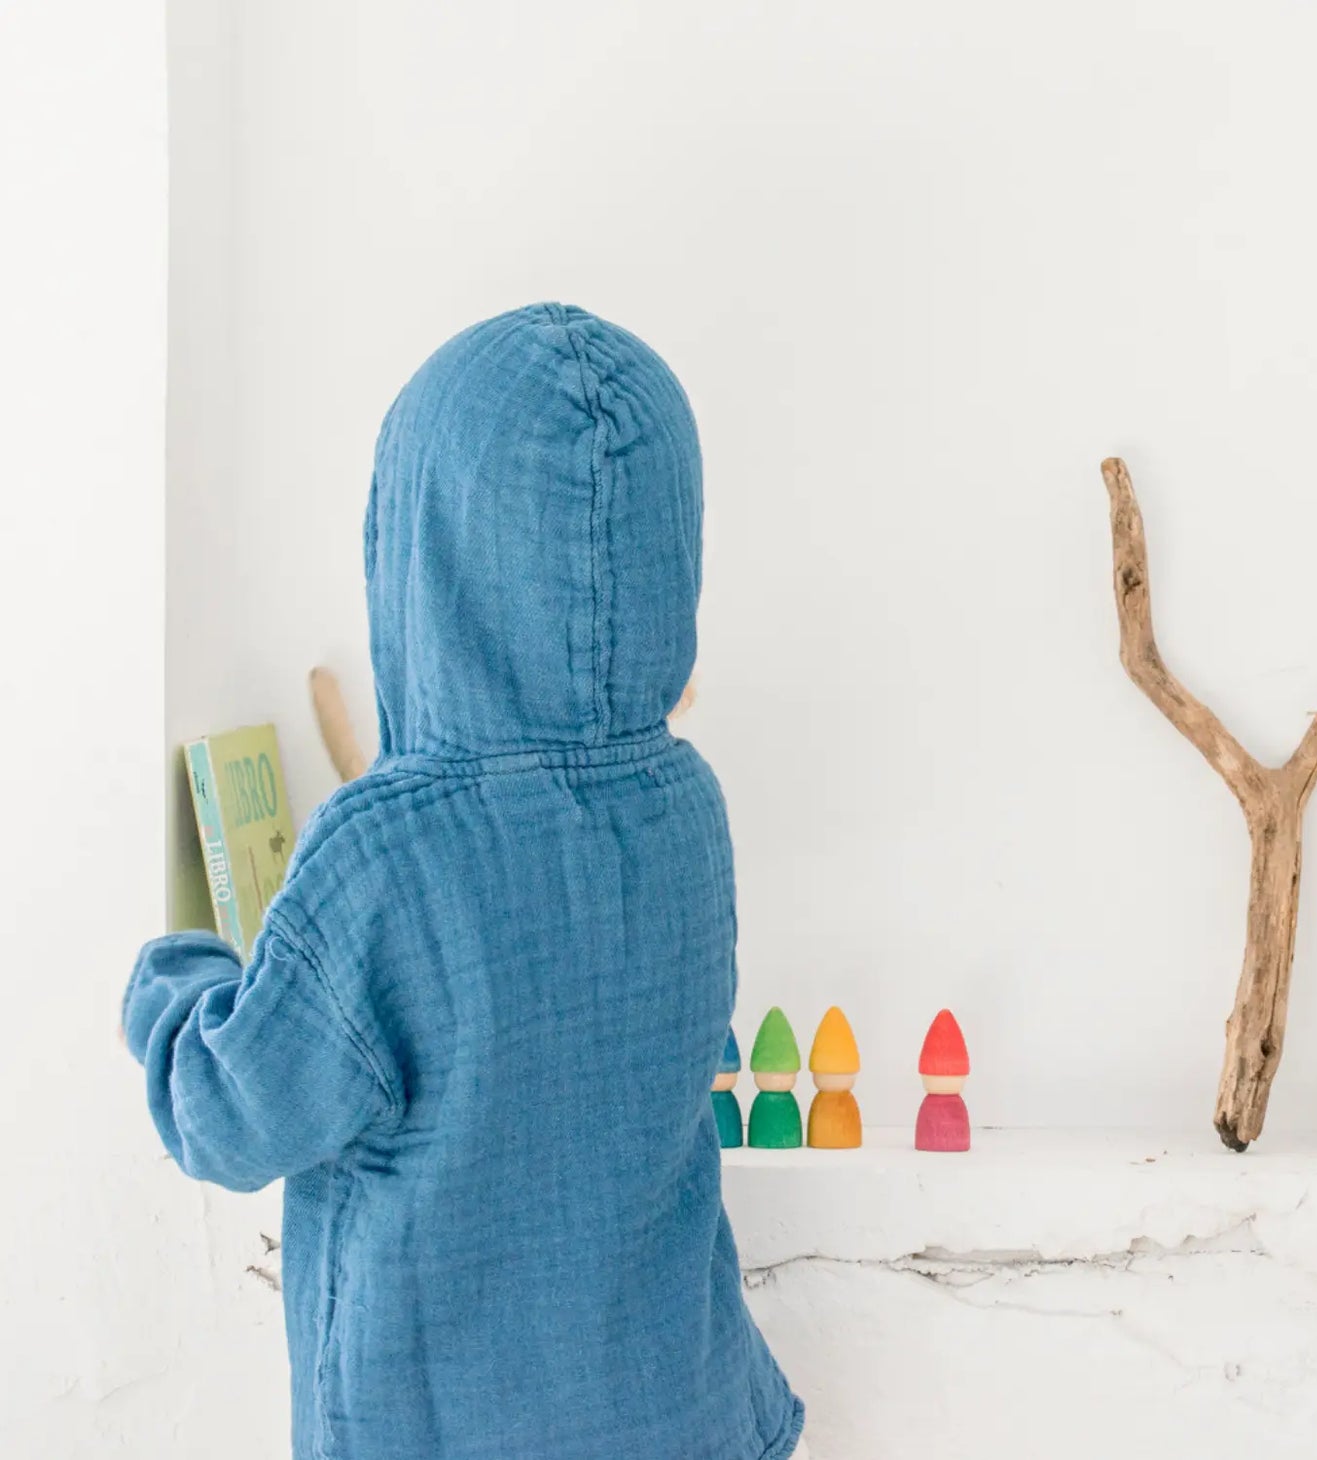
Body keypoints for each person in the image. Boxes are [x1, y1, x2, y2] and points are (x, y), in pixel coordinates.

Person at [123, 304, 805, 1460]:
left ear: (421, 548)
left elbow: (231, 1116)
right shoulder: (687, 808)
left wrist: (176, 973)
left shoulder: (381, 850)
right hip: (678, 1412)